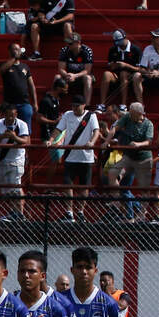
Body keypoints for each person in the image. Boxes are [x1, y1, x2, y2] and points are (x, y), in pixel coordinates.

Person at [54, 91, 102, 221]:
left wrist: (91, 142)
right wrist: (51, 139)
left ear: (83, 105)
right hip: (70, 156)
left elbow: (96, 131)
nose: (74, 108)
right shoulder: (67, 115)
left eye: (77, 106)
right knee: (68, 184)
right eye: (73, 106)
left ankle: (80, 211)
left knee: (84, 185)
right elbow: (58, 129)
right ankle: (69, 212)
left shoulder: (91, 116)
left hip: (86, 157)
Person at [0, 100, 30, 219]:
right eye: (8, 115)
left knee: (15, 187)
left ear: (16, 114)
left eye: (12, 115)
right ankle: (15, 212)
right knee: (7, 189)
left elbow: (26, 141)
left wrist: (14, 137)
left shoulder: (22, 124)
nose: (10, 117)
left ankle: (19, 213)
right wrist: (3, 136)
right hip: (3, 160)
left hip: (16, 160)